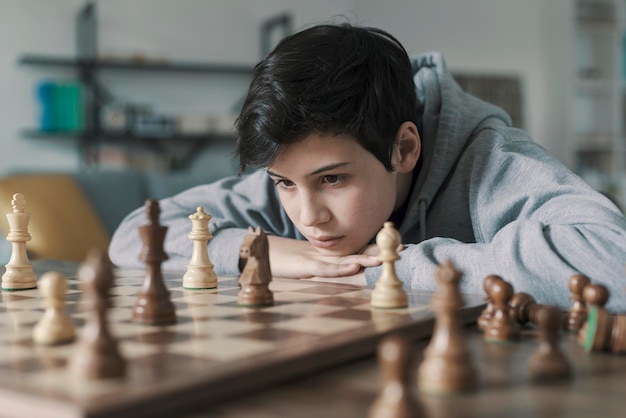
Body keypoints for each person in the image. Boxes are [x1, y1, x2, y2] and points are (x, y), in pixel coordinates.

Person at [109, 23, 626, 310]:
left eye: (332, 179)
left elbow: (614, 264)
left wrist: (388, 270)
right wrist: (258, 250)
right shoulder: (293, 170)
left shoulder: (492, 160)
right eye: (284, 183)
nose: (307, 216)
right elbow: (134, 236)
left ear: (403, 149)